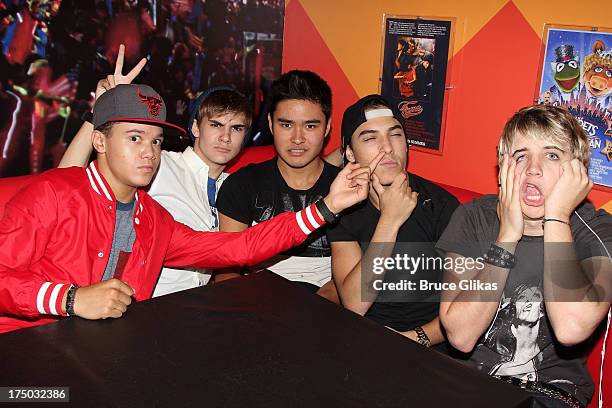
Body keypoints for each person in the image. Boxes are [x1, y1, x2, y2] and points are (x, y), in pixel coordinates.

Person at [0, 81, 374, 334]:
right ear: (99, 140)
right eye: (134, 138)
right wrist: (70, 297)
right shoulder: (50, 192)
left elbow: (237, 248)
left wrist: (326, 208)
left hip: (112, 347)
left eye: (157, 141)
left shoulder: (154, 219)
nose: (149, 152)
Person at [437, 104, 612, 407]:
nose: (533, 168)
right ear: (503, 167)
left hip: (548, 394)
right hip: (467, 383)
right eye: (521, 156)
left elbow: (571, 328)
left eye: (552, 154)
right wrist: (506, 238)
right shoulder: (474, 218)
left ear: (577, 171)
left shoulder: (598, 230)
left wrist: (556, 216)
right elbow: (460, 335)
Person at [59, 45, 253, 297]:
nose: (225, 137)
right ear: (195, 127)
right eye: (215, 124)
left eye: (237, 129)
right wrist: (101, 110)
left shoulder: (233, 186)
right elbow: (67, 184)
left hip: (198, 307)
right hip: (141, 304)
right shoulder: (159, 163)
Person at [327, 94, 459, 350]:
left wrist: (416, 338)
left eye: (395, 135)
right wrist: (389, 221)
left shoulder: (441, 206)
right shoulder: (343, 208)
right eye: (370, 138)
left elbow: (465, 304)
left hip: (429, 345)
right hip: (363, 338)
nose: (387, 147)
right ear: (350, 154)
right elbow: (354, 304)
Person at [215, 70, 341, 301]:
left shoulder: (346, 190)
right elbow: (226, 269)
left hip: (327, 309)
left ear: (327, 127)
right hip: (257, 303)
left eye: (310, 126)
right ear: (271, 124)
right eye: (286, 125)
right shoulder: (243, 185)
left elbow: (356, 276)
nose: (297, 138)